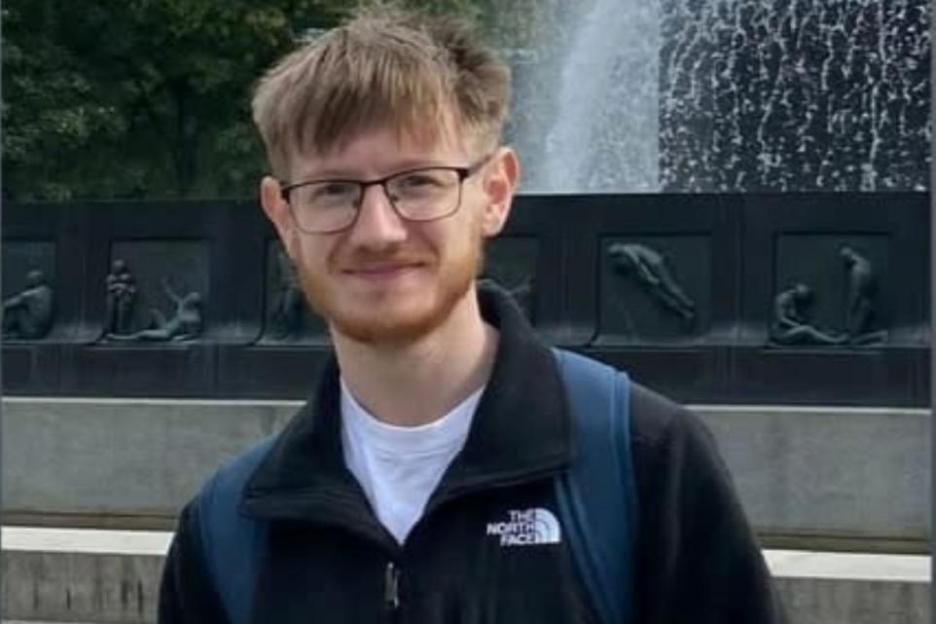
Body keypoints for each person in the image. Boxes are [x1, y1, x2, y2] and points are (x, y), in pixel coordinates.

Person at [159, 7, 784, 623]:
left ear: (495, 193)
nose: (378, 230)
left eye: (418, 183)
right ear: (283, 218)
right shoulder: (227, 533)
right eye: (333, 190)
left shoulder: (647, 464)